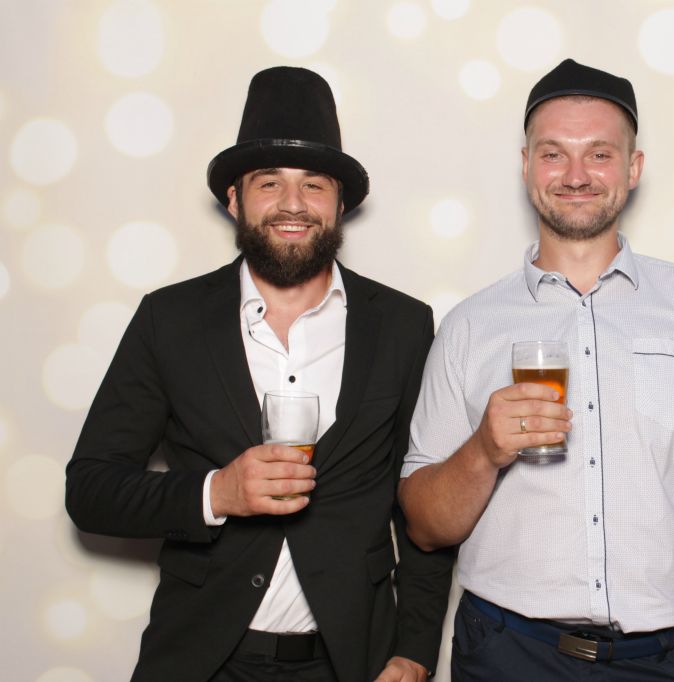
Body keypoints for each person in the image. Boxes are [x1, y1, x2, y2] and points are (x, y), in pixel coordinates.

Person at [398, 59, 674, 682]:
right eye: (553, 154)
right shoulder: (469, 326)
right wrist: (483, 451)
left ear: (633, 168)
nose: (576, 175)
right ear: (526, 165)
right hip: (508, 655)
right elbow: (425, 528)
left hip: (669, 657)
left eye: (600, 154)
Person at [66, 66, 453, 682]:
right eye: (269, 182)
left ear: (340, 204)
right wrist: (217, 493)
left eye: (314, 185)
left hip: (353, 661)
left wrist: (415, 648)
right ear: (234, 200)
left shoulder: (404, 326)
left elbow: (422, 494)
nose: (293, 204)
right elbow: (90, 490)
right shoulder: (170, 319)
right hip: (202, 660)